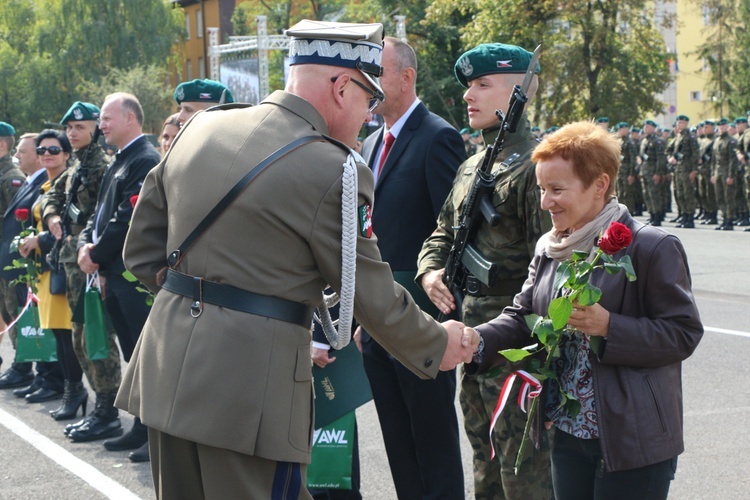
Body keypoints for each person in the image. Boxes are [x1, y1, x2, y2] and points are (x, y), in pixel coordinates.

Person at [115, 20, 477, 499]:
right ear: (342, 86)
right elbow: (370, 295)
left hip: (165, 374)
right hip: (249, 395)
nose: (368, 117)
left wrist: (202, 301)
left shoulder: (201, 127)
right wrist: (437, 342)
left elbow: (141, 251)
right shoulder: (333, 168)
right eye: (369, 101)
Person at [467, 120, 703, 500]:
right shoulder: (552, 247)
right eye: (543, 189)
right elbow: (523, 315)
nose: (545, 202)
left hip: (631, 441)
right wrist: (475, 339)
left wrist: (610, 326)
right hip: (566, 431)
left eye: (557, 189)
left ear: (599, 185)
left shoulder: (652, 247)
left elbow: (683, 333)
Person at [417, 43, 553, 499]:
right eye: (468, 86)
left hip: (520, 346)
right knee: (485, 458)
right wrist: (431, 271)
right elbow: (442, 231)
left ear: (518, 92)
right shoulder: (474, 164)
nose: (468, 95)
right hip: (471, 340)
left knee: (524, 467)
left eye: (482, 84)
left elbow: (551, 263)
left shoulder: (540, 166)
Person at [357, 36, 466, 499]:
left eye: (377, 73)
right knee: (398, 441)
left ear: (406, 76)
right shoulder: (367, 143)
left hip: (421, 320)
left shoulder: (438, 136)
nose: (371, 85)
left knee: (433, 442)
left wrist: (442, 313)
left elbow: (455, 232)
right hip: (377, 321)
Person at [73, 93, 160, 464]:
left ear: (130, 118)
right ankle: (141, 425)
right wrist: (84, 246)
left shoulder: (145, 160)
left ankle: (155, 434)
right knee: (132, 354)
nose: (101, 125)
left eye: (107, 118)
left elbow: (127, 219)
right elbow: (96, 215)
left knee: (147, 356)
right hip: (113, 275)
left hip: (134, 278)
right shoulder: (119, 160)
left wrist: (96, 254)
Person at [42, 102, 124, 440]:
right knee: (79, 337)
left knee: (96, 337)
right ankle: (99, 405)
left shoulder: (103, 166)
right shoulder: (74, 166)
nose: (73, 133)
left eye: (81, 127)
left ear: (95, 129)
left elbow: (106, 217)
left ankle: (108, 410)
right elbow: (53, 197)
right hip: (71, 261)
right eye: (70, 128)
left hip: (90, 262)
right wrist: (52, 217)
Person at [17, 130, 82, 417]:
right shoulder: (48, 185)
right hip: (46, 270)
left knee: (66, 336)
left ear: (67, 155)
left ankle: (75, 391)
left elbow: (67, 228)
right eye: (42, 149)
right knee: (58, 334)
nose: (46, 154)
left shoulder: (68, 183)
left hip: (62, 270)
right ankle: (70, 390)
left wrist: (37, 240)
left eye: (54, 150)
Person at [0, 132, 64, 400]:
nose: (20, 156)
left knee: (35, 322)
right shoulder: (30, 181)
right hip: (17, 263)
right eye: (35, 150)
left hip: (33, 264)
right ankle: (34, 371)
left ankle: (44, 376)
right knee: (18, 317)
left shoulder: (35, 183)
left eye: (24, 152)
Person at [666, 115, 699, 228]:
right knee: (680, 194)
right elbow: (669, 150)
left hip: (687, 169)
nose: (679, 125)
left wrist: (694, 170)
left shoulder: (691, 137)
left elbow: (695, 155)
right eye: (678, 122)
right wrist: (671, 157)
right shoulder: (678, 136)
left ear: (686, 123)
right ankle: (684, 216)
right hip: (678, 169)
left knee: (688, 194)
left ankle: (690, 218)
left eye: (681, 123)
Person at [710, 118, 739, 230]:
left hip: (727, 171)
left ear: (727, 127)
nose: (721, 128)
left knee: (729, 197)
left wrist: (731, 175)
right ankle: (724, 218)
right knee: (720, 197)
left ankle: (730, 220)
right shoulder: (717, 140)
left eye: (723, 126)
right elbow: (713, 159)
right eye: (720, 126)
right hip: (718, 172)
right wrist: (713, 173)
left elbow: (733, 160)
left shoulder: (731, 141)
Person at [637, 119, 667, 226]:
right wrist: (640, 170)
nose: (646, 128)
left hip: (653, 171)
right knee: (647, 194)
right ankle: (651, 215)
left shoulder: (657, 141)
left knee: (654, 194)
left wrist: (658, 173)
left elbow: (660, 159)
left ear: (654, 129)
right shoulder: (644, 140)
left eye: (648, 127)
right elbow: (641, 157)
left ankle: (657, 216)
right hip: (645, 171)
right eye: (645, 126)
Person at [614, 122, 638, 214]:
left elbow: (633, 160)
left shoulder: (630, 143)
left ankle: (629, 213)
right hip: (619, 171)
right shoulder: (618, 141)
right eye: (619, 129)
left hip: (627, 172)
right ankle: (621, 213)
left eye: (621, 129)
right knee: (620, 194)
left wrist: (632, 174)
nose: (619, 131)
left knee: (628, 194)